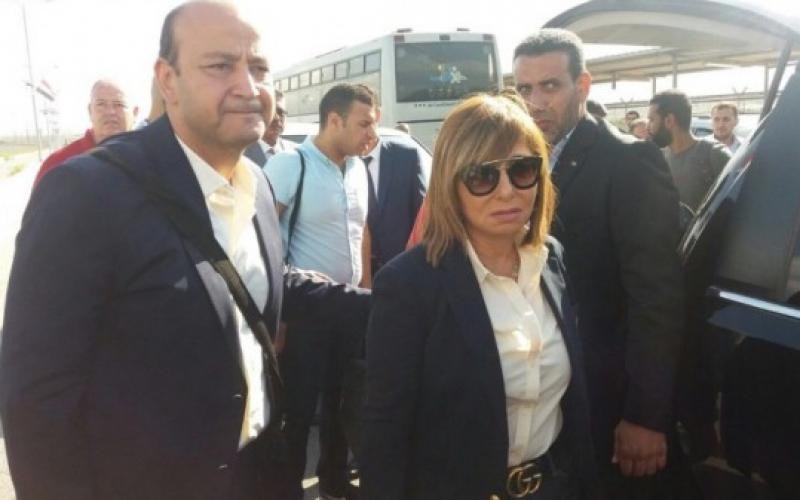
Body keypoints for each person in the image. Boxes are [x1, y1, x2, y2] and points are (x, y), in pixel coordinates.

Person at [0, 3, 370, 500]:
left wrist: (392, 300)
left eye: (259, 67)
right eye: (221, 65)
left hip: (258, 473)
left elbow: (255, 279)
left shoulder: (255, 182)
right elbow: (36, 399)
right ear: (167, 80)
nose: (248, 86)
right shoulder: (87, 193)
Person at [361, 92, 594, 499]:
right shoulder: (410, 283)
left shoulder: (551, 257)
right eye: (482, 176)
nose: (506, 191)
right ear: (450, 183)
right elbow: (385, 428)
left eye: (522, 170)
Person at [512, 30, 688, 499]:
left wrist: (645, 415)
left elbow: (656, 297)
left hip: (606, 402)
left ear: (583, 85)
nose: (535, 102)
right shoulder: (520, 160)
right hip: (547, 406)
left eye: (550, 86)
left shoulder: (629, 161)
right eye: (524, 89)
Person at [265, 82, 377, 500]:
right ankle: (287, 489)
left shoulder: (358, 168)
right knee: (297, 411)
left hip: (350, 310)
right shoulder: (291, 165)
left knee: (342, 402)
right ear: (334, 120)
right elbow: (262, 239)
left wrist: (366, 293)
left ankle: (333, 481)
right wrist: (277, 318)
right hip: (304, 315)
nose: (371, 134)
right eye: (363, 123)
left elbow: (362, 232)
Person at [33, 78, 137, 187]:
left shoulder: (145, 162)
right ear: (90, 111)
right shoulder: (57, 164)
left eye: (119, 104)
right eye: (101, 104)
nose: (110, 112)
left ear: (135, 113)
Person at [648, 90, 731, 212]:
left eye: (651, 120)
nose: (648, 126)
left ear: (669, 120)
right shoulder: (658, 159)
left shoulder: (715, 155)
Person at [361, 131, 426, 274]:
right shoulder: (343, 162)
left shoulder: (407, 156)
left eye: (365, 124)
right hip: (358, 274)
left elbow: (422, 215)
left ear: (377, 119)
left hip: (404, 269)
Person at [244, 89, 296, 168]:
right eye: (271, 111)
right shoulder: (240, 155)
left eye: (281, 112)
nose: (276, 118)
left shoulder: (296, 153)